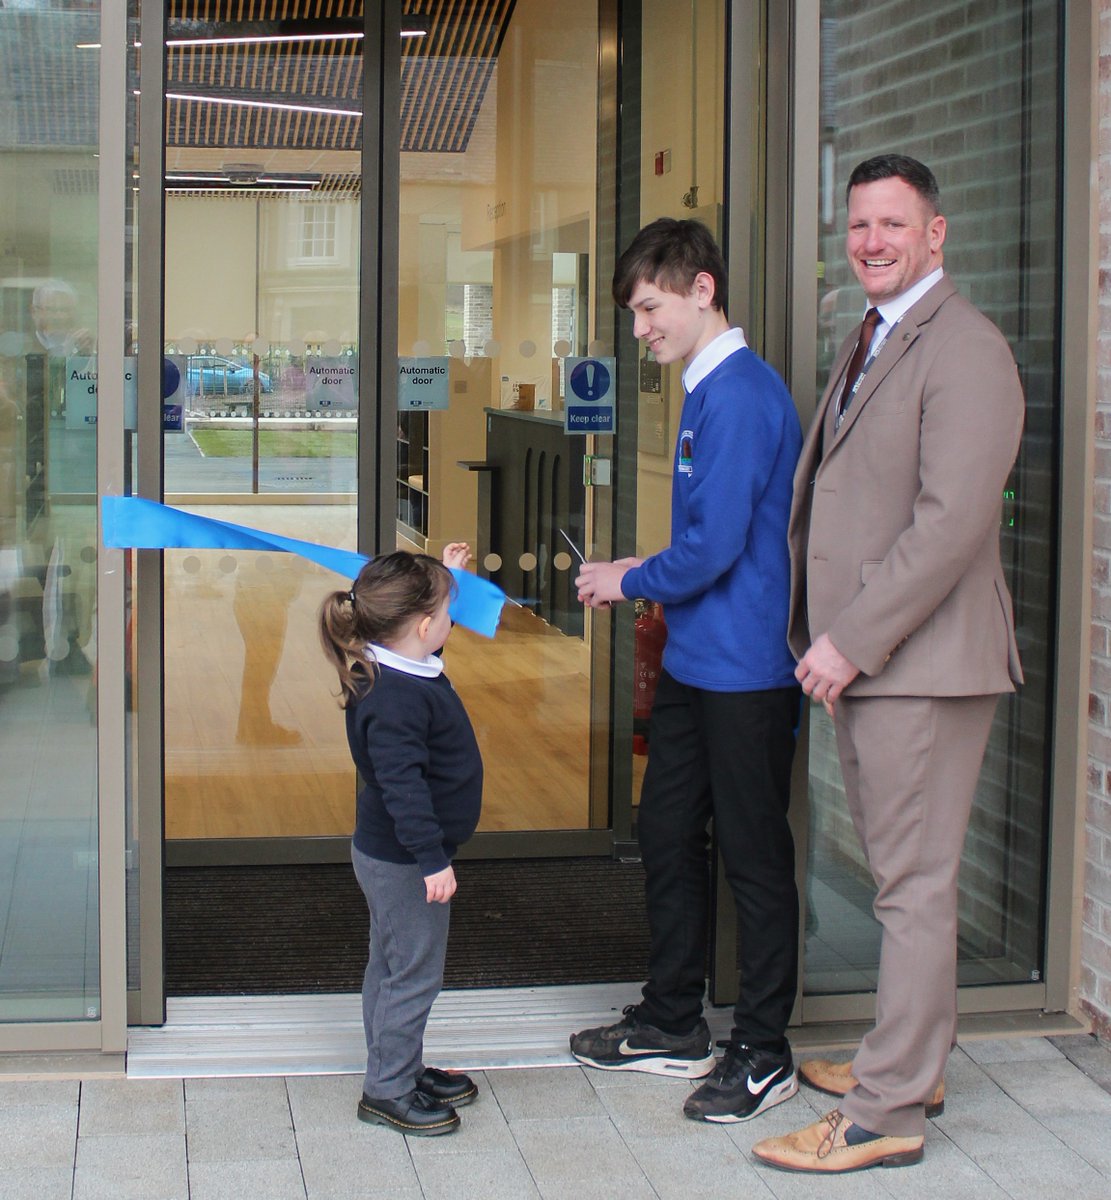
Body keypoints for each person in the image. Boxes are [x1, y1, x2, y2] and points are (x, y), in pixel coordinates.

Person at [752, 155, 1024, 1173]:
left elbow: (950, 523)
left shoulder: (967, 350)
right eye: (859, 223)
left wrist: (848, 639)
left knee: (909, 887)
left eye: (892, 225)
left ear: (935, 234)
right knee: (904, 883)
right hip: (880, 665)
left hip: (918, 664)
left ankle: (884, 1112)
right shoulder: (872, 336)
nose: (871, 240)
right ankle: (918, 1058)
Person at [569, 218, 804, 1124]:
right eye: (634, 312)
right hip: (695, 663)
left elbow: (711, 548)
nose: (639, 330)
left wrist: (626, 575)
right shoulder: (705, 389)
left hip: (746, 672)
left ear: (702, 290)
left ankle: (763, 1050)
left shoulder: (741, 395)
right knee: (664, 829)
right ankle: (671, 1021)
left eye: (648, 308)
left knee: (753, 856)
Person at [319, 544, 481, 1138]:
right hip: (405, 859)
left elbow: (428, 642)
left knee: (391, 963)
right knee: (412, 972)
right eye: (445, 610)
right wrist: (432, 861)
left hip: (394, 855)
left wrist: (449, 579)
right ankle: (387, 1090)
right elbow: (402, 789)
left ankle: (400, 1065)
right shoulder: (394, 699)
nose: (447, 622)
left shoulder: (396, 663)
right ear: (419, 625)